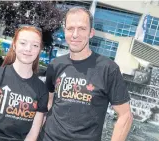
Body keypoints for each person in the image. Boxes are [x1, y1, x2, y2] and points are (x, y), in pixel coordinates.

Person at [38, 7, 133, 141]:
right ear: (65, 31)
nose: (75, 34)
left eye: (82, 29)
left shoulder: (108, 69)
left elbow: (125, 115)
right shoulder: (55, 65)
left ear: (91, 33)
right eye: (70, 28)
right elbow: (48, 103)